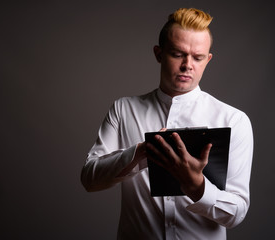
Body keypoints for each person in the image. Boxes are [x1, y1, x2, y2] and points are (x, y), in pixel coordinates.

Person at [81, 7, 253, 240]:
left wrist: (197, 186)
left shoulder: (234, 120)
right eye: (178, 54)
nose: (187, 65)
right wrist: (140, 153)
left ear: (208, 59)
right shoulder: (123, 110)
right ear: (159, 54)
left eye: (198, 57)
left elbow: (237, 213)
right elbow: (90, 180)